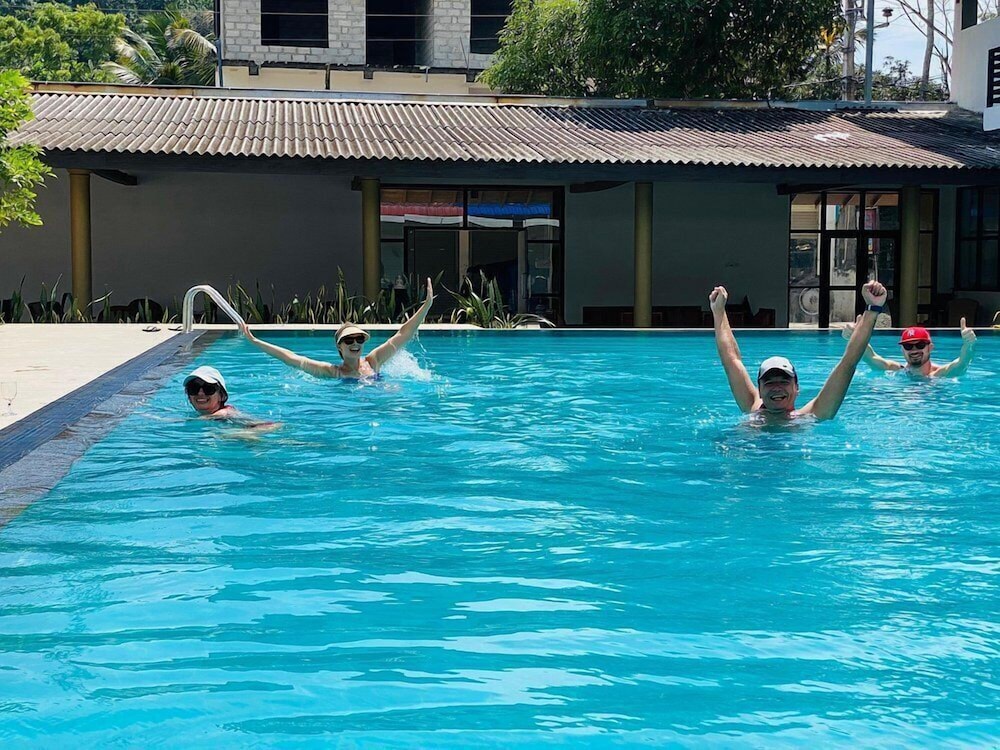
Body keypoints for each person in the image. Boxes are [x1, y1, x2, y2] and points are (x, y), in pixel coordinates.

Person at [710, 280, 888, 422]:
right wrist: (718, 312)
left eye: (784, 381)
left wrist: (872, 310)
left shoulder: (812, 416)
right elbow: (731, 360)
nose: (777, 388)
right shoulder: (751, 407)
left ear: (796, 388)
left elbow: (848, 363)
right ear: (760, 390)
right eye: (769, 382)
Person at [240, 278, 434, 379]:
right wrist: (256, 341)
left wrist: (426, 306)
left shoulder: (373, 361)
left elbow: (403, 334)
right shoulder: (332, 372)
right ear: (339, 347)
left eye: (359, 339)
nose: (355, 343)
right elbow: (291, 358)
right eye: (348, 340)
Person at [840, 317, 977, 377]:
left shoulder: (939, 375)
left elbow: (962, 363)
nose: (914, 350)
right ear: (902, 350)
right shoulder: (894, 370)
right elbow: (870, 357)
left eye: (920, 345)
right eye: (908, 346)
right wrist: (853, 337)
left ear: (930, 347)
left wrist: (969, 344)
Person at [184, 366, 280, 431]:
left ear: (221, 395)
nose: (200, 393)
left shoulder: (224, 413)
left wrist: (242, 434)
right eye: (194, 388)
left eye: (208, 388)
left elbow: (271, 425)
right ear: (189, 396)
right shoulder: (214, 415)